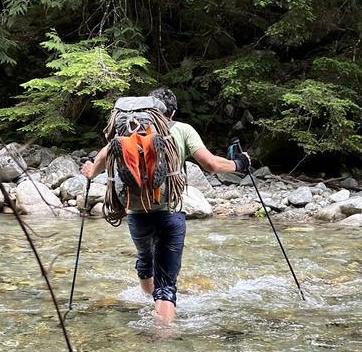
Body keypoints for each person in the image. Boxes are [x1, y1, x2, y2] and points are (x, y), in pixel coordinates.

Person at [81, 87, 250, 325]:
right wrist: (240, 163)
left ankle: (148, 302)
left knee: (145, 260)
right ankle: (163, 336)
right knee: (167, 287)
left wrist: (88, 169)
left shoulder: (127, 131)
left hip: (136, 214)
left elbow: (96, 166)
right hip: (169, 213)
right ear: (171, 112)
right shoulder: (181, 130)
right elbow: (211, 165)